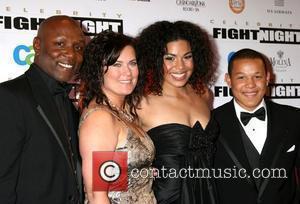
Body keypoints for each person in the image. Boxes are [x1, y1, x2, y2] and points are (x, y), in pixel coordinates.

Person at [0, 15, 85, 204]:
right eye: (60, 44)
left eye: (78, 47)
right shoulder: (9, 97)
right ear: (37, 45)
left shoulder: (70, 106)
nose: (71, 54)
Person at [135, 20, 218, 204]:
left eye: (187, 56)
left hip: (208, 194)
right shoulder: (140, 101)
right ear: (154, 60)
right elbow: (111, 161)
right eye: (169, 58)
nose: (180, 67)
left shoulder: (204, 94)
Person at [78, 30, 156, 204]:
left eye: (132, 63)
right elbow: (97, 196)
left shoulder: (124, 111)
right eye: (117, 64)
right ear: (98, 70)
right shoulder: (100, 118)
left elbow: (119, 180)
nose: (127, 73)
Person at [213, 48, 300, 204]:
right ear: (228, 80)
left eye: (257, 76)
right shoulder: (210, 122)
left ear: (267, 78)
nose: (250, 85)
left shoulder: (294, 118)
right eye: (241, 77)